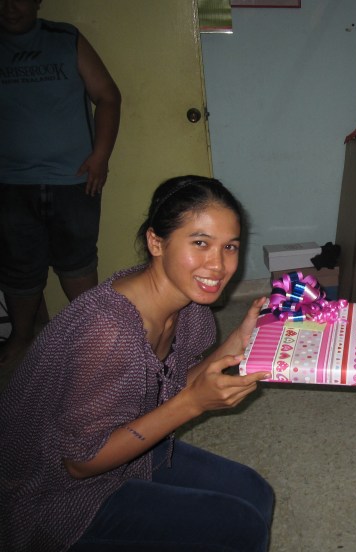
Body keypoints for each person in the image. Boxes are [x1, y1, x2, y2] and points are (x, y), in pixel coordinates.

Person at [0, 176, 274, 551]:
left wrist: (238, 340)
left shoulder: (187, 305)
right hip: (53, 492)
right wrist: (193, 404)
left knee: (257, 494)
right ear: (156, 242)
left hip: (128, 447)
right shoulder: (109, 332)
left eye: (230, 246)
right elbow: (79, 463)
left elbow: (168, 387)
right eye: (200, 243)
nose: (218, 265)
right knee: (242, 528)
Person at [0, 0, 122, 367]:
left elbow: (108, 96)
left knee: (77, 261)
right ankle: (23, 336)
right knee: (18, 267)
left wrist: (100, 156)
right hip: (10, 182)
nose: (9, 6)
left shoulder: (65, 38)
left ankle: (93, 336)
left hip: (73, 180)